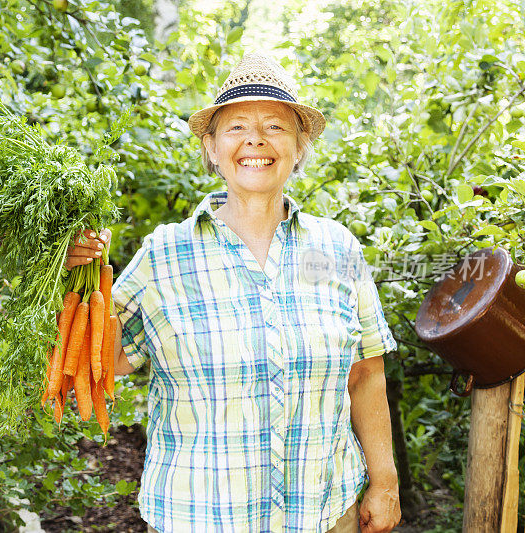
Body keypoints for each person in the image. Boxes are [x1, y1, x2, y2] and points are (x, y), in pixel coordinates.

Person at [64, 51, 401, 533]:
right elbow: (101, 362)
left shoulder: (336, 248)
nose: (255, 140)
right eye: (236, 127)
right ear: (212, 147)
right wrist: (75, 283)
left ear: (299, 147)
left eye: (276, 127)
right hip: (200, 519)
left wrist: (384, 484)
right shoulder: (165, 255)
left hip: (326, 516)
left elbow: (366, 375)